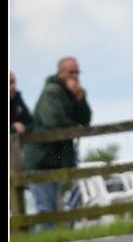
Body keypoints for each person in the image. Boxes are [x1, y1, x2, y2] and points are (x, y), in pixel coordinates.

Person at [22, 56, 92, 214]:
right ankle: (45, 239)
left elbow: (85, 119)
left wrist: (80, 99)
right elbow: (55, 121)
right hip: (41, 159)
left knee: (65, 205)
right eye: (71, 72)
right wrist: (74, 126)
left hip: (60, 158)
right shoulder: (51, 91)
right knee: (46, 209)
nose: (75, 76)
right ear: (61, 72)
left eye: (77, 72)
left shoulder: (73, 93)